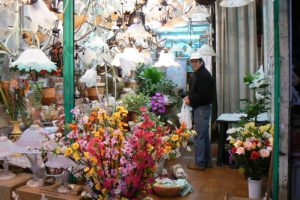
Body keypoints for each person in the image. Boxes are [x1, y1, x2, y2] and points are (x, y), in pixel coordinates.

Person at [184, 52, 215, 171]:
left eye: (196, 61)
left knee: (199, 137)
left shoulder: (203, 75)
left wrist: (190, 99)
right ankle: (206, 162)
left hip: (202, 108)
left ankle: (200, 163)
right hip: (202, 108)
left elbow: (204, 95)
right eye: (192, 61)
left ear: (201, 61)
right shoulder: (200, 73)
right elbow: (197, 92)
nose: (194, 63)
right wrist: (188, 97)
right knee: (204, 136)